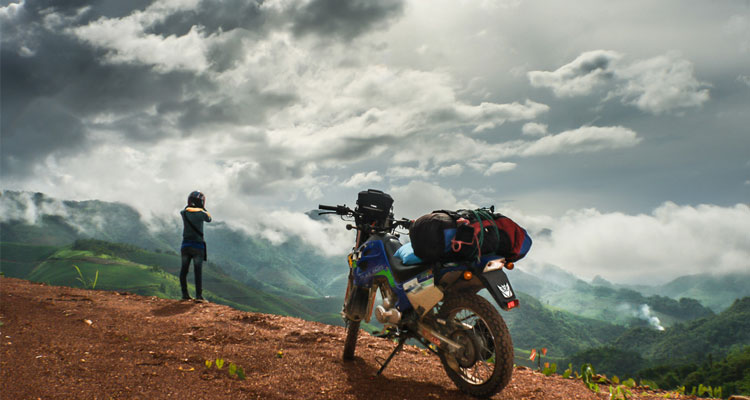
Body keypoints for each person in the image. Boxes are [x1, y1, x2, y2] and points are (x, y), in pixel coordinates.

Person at [180, 190, 211, 301]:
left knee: (184, 270)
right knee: (197, 271)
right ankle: (199, 296)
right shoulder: (201, 213)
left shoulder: (184, 213)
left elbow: (184, 210)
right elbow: (209, 218)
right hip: (198, 246)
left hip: (185, 245)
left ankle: (184, 295)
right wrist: (203, 208)